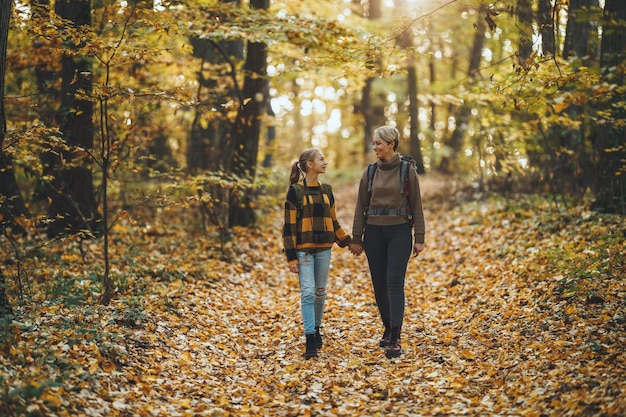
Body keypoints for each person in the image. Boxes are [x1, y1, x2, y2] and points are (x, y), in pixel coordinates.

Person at [349, 126, 425, 359]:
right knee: (379, 284)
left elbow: (418, 206)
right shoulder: (369, 172)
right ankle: (387, 327)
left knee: (394, 283)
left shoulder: (407, 171)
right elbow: (361, 206)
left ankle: (396, 335)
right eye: (373, 143)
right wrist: (357, 238)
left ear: (391, 144)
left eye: (378, 143)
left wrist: (419, 238)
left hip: (399, 232)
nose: (375, 148)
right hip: (374, 233)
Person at [283, 148, 352, 360]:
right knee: (308, 292)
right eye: (321, 159)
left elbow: (333, 221)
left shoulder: (327, 190)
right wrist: (291, 257)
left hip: (324, 250)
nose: (326, 162)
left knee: (320, 292)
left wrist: (350, 242)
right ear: (310, 165)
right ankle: (310, 337)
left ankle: (317, 327)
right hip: (303, 251)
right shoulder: (295, 191)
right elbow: (289, 227)